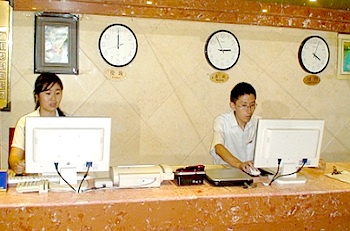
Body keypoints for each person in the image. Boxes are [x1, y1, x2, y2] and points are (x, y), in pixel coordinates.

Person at [9, 73, 66, 174]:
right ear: (37, 97)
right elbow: (15, 156)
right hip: (34, 177)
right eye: (48, 94)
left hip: (62, 178)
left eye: (57, 93)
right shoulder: (25, 121)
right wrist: (17, 165)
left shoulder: (69, 122)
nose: (53, 98)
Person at [209, 82, 260, 173]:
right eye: (244, 106)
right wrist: (240, 165)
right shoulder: (222, 121)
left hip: (252, 175)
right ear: (233, 106)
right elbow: (218, 148)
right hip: (225, 174)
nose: (249, 111)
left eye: (252, 105)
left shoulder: (259, 122)